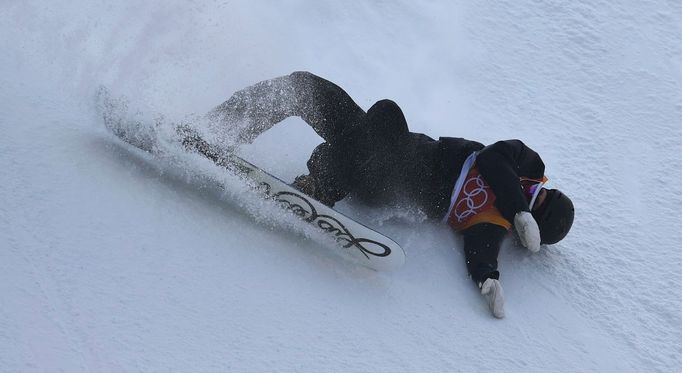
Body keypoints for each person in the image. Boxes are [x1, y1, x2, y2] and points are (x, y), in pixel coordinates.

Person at [202, 71, 574, 318]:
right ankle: (213, 130)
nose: (527, 199)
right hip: (388, 145)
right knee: (303, 88)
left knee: (383, 121)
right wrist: (520, 209)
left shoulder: (493, 223)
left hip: (389, 180)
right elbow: (494, 158)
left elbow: (481, 250)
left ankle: (320, 186)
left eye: (531, 208)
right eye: (534, 197)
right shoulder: (524, 164)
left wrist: (487, 279)